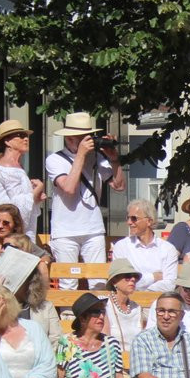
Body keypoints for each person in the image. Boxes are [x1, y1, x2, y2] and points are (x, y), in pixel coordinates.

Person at [45, 113, 125, 289]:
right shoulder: (54, 159)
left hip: (93, 228)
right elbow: (69, 188)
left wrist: (113, 159)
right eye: (81, 137)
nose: (85, 141)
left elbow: (119, 186)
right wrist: (81, 155)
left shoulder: (96, 158)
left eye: (87, 137)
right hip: (65, 231)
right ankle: (67, 315)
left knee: (98, 281)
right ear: (69, 138)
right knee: (68, 283)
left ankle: (99, 315)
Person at [0, 119, 46, 242]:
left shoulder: (16, 166)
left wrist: (35, 197)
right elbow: (18, 206)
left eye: (26, 136)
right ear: (7, 141)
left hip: (18, 232)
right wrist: (38, 190)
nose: (25, 139)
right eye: (20, 136)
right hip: (11, 235)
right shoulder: (7, 168)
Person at [111, 200, 179, 292]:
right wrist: (153, 277)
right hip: (129, 301)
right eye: (128, 218)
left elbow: (170, 284)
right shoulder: (122, 247)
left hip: (158, 302)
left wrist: (146, 292)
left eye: (134, 218)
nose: (129, 222)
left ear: (149, 221)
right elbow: (122, 282)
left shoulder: (168, 249)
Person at [102, 259, 145, 353]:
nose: (133, 279)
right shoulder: (104, 306)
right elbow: (104, 343)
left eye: (135, 277)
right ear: (114, 281)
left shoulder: (137, 308)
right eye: (127, 277)